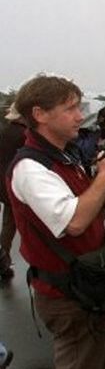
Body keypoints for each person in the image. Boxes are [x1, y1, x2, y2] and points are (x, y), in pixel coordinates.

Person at [7, 75, 105, 369]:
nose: (80, 116)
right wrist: (103, 176)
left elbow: (99, 208)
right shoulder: (31, 168)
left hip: (93, 288)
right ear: (40, 114)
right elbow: (74, 222)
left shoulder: (63, 157)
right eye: (70, 109)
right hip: (69, 296)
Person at [0, 103, 27, 279]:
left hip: (3, 183)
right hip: (14, 184)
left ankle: (3, 261)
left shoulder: (4, 132)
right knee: (15, 224)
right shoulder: (24, 135)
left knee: (8, 225)